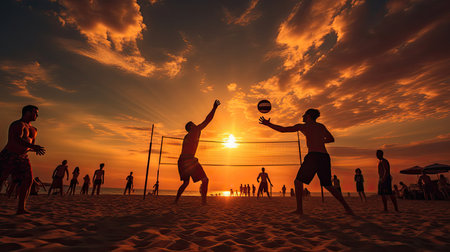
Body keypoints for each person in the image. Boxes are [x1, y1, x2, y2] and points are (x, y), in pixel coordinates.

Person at [260, 108, 353, 215]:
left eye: (304, 115)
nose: (302, 117)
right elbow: (331, 139)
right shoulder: (321, 126)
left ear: (308, 116)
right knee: (328, 185)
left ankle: (299, 210)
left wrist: (268, 124)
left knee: (298, 182)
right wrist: (320, 140)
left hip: (313, 156)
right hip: (324, 156)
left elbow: (283, 129)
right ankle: (347, 208)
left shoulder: (303, 126)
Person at [0, 105, 45, 214]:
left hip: (23, 157)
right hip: (9, 155)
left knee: (28, 180)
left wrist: (35, 149)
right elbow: (16, 139)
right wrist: (34, 147)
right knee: (1, 179)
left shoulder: (34, 130)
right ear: (27, 113)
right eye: (35, 113)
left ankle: (21, 208)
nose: (37, 115)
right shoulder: (17, 125)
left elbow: (29, 145)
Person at [175, 100, 220, 205]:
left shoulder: (188, 135)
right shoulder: (194, 131)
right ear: (190, 127)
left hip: (182, 160)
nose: (195, 124)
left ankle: (176, 201)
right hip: (189, 160)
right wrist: (214, 108)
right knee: (205, 180)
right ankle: (203, 202)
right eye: (193, 124)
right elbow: (207, 120)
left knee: (186, 183)